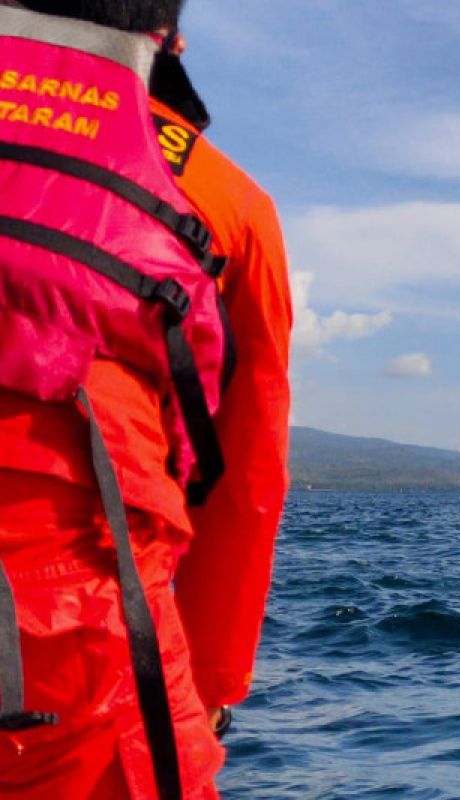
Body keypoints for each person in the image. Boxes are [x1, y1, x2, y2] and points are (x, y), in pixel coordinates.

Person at [0, 2, 292, 797]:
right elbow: (245, 480)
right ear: (170, 41)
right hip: (84, 645)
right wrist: (212, 684)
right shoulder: (229, 201)